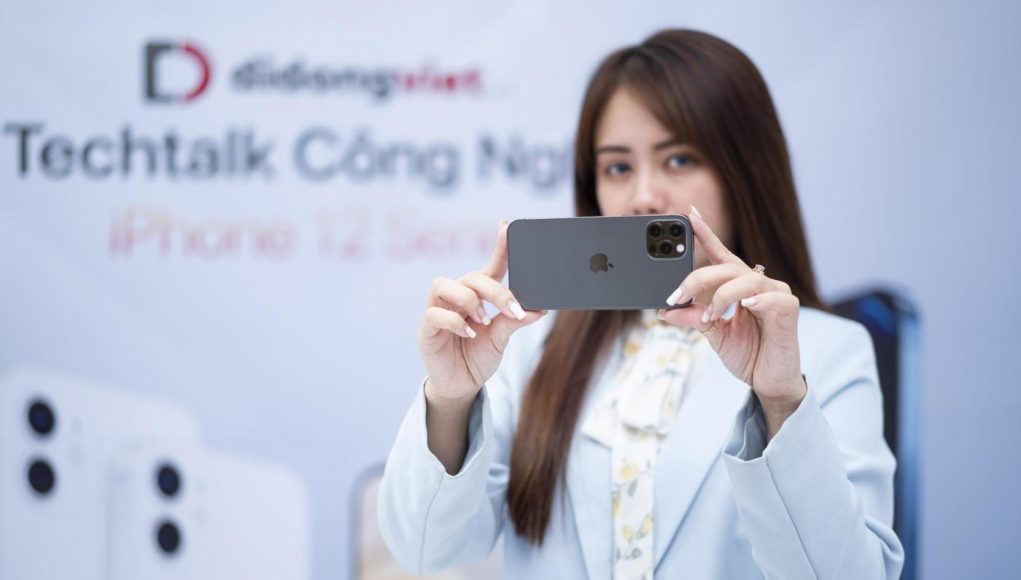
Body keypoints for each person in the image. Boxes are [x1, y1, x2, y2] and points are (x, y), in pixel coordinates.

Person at [378, 29, 904, 579]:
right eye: (618, 167)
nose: (644, 195)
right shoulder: (526, 345)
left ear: (744, 171)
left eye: (679, 159)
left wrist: (779, 400)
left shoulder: (827, 350)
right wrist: (451, 399)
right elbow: (425, 550)